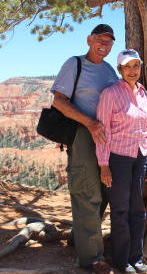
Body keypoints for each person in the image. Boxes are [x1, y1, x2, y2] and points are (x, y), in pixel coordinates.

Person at [51, 24, 118, 274]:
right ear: (89, 40)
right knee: (87, 191)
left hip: (108, 139)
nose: (105, 44)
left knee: (104, 189)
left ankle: (79, 239)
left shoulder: (111, 70)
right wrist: (89, 123)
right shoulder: (74, 64)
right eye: (100, 39)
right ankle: (91, 257)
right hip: (83, 135)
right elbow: (59, 101)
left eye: (109, 42)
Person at [96, 49, 147, 274]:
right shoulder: (110, 94)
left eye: (136, 66)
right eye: (127, 66)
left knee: (138, 210)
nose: (132, 71)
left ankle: (137, 258)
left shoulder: (144, 94)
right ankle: (122, 261)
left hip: (139, 157)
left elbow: (146, 129)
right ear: (120, 69)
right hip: (118, 159)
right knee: (120, 210)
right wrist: (104, 165)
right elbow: (102, 131)